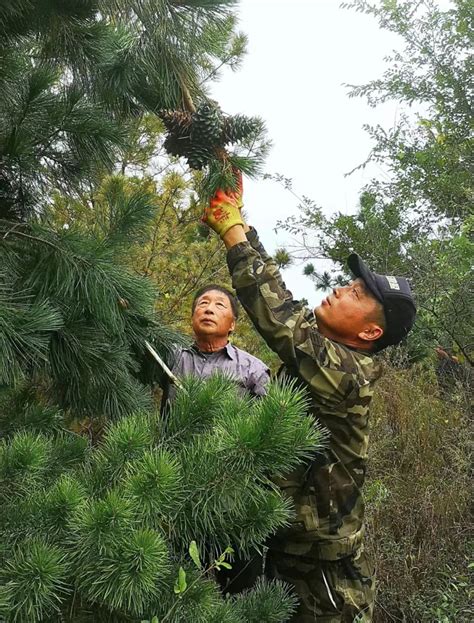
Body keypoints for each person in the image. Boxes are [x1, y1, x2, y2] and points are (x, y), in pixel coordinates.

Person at [202, 174, 417, 622]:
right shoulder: (331, 357)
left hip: (324, 575)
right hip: (292, 548)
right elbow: (286, 304)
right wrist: (244, 224)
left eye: (357, 294)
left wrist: (233, 233)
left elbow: (279, 319)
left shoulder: (347, 372)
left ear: (370, 332)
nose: (341, 289)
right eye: (350, 283)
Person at [160, 283, 270, 594]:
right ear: (192, 316)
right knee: (178, 582)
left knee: (239, 585)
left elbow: (268, 431)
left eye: (220, 305)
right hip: (177, 488)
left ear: (233, 324)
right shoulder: (171, 355)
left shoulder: (252, 369)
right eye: (202, 304)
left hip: (233, 493)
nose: (208, 308)